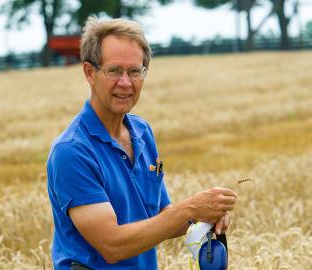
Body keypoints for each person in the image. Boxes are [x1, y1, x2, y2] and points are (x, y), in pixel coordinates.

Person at [46, 16, 237, 270]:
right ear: (89, 73)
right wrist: (191, 209)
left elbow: (160, 219)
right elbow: (112, 245)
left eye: (135, 71)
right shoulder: (72, 152)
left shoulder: (142, 132)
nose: (126, 83)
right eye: (114, 71)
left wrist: (205, 216)